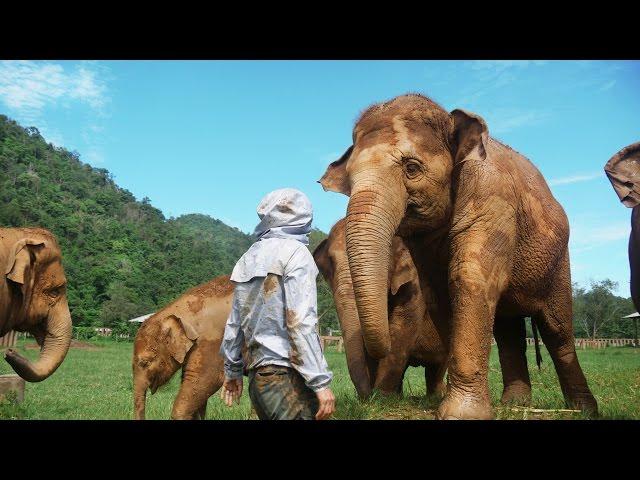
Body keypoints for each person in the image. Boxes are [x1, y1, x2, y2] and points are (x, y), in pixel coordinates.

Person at [220, 188, 335, 420]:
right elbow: (300, 322)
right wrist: (320, 383)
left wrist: (232, 371)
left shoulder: (248, 258)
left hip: (257, 380)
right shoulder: (297, 254)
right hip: (287, 379)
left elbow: (234, 325)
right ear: (305, 218)